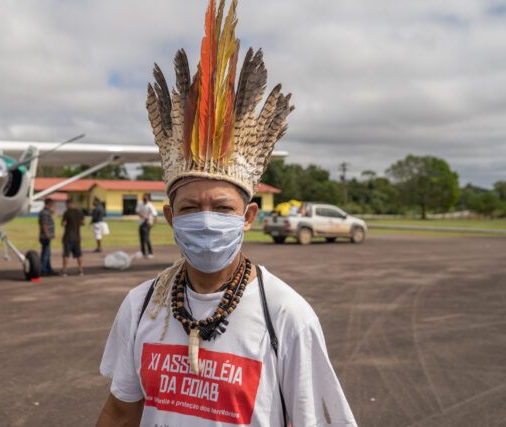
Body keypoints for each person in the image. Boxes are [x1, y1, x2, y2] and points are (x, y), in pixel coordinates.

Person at [96, 2, 357, 426]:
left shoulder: (286, 316)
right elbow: (121, 412)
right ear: (169, 216)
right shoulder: (142, 305)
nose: (206, 220)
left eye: (222, 208)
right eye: (190, 208)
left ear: (249, 216)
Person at [61, 199, 85, 276]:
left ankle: (64, 271)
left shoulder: (67, 213)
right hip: (77, 237)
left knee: (66, 255)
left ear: (68, 204)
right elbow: (83, 223)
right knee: (79, 255)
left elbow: (63, 224)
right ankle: (80, 270)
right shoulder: (79, 212)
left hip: (68, 237)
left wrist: (65, 223)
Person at [135, 193, 158, 259]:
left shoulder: (150, 206)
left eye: (146, 197)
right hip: (141, 223)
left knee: (146, 238)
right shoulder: (140, 203)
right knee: (141, 238)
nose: (144, 198)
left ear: (148, 198)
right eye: (143, 197)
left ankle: (150, 253)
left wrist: (154, 224)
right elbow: (137, 211)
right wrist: (143, 216)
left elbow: (155, 215)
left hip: (147, 223)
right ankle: (143, 252)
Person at [38, 198, 56, 276]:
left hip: (46, 236)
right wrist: (47, 235)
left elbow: (54, 213)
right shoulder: (45, 213)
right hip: (45, 237)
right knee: (45, 254)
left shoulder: (47, 211)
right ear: (49, 204)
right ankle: (44, 270)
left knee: (47, 253)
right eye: (52, 204)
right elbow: (44, 224)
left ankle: (48, 269)